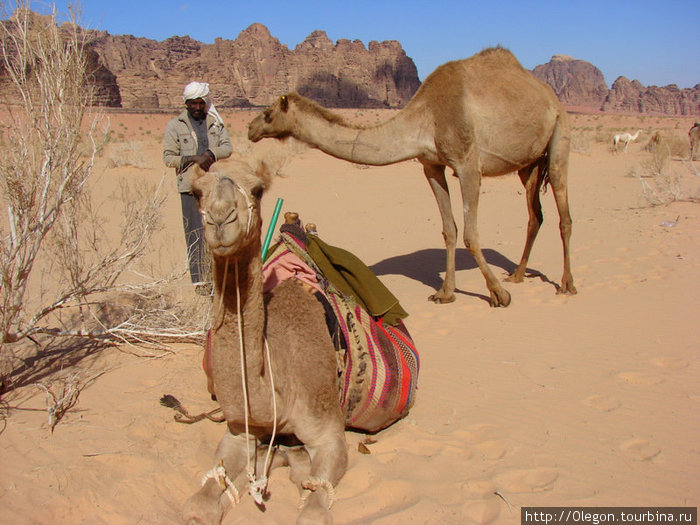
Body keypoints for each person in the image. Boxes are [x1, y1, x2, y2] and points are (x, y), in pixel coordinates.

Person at [163, 82, 232, 295]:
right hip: (190, 187)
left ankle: (218, 276)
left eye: (201, 103)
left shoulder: (215, 123)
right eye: (193, 103)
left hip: (214, 186)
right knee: (194, 233)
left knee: (219, 230)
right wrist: (194, 158)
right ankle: (199, 282)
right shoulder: (176, 125)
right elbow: (168, 158)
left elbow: (227, 147)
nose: (197, 107)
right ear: (186, 104)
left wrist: (210, 155)